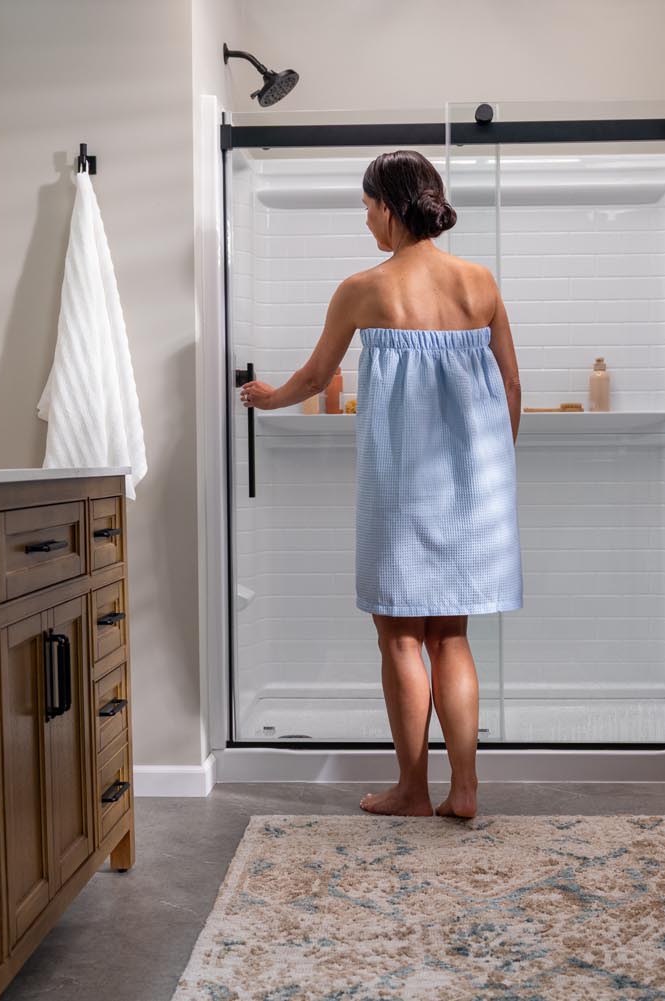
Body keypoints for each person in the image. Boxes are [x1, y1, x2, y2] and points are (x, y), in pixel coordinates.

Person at [237, 149, 523, 819]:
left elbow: (314, 378)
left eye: (368, 209)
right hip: (476, 488)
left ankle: (414, 790)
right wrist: (489, 471)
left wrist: (268, 397)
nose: (367, 222)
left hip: (401, 489)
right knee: (451, 635)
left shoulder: (364, 288)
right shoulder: (480, 281)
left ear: (389, 209)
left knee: (399, 636)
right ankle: (467, 790)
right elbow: (510, 384)